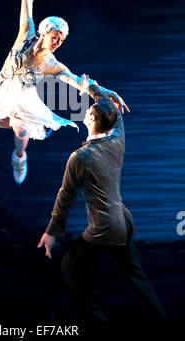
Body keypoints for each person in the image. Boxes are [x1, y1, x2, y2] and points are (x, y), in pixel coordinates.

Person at [0, 0, 127, 185]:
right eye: (55, 37)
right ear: (44, 33)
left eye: (62, 40)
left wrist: (108, 93)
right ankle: (19, 121)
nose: (57, 42)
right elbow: (27, 1)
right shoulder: (26, 34)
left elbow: (78, 82)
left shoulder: (52, 64)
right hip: (2, 86)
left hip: (24, 98)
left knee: (22, 132)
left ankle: (19, 156)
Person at [38, 77, 168, 321]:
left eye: (88, 111)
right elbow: (109, 107)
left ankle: (97, 319)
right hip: (124, 220)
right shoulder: (117, 138)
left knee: (70, 265)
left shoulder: (80, 157)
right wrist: (103, 92)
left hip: (104, 226)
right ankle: (161, 318)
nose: (85, 112)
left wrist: (52, 231)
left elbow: (65, 196)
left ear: (93, 119)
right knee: (134, 273)